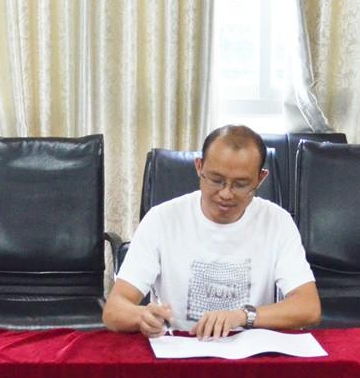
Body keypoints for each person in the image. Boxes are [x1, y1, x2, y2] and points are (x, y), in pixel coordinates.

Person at [104, 125, 321, 338]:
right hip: (179, 345)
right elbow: (114, 310)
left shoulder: (277, 222)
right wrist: (141, 316)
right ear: (199, 167)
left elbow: (308, 307)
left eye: (240, 185)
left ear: (260, 178)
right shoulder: (161, 219)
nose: (226, 194)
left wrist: (243, 316)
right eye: (217, 181)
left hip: (250, 351)